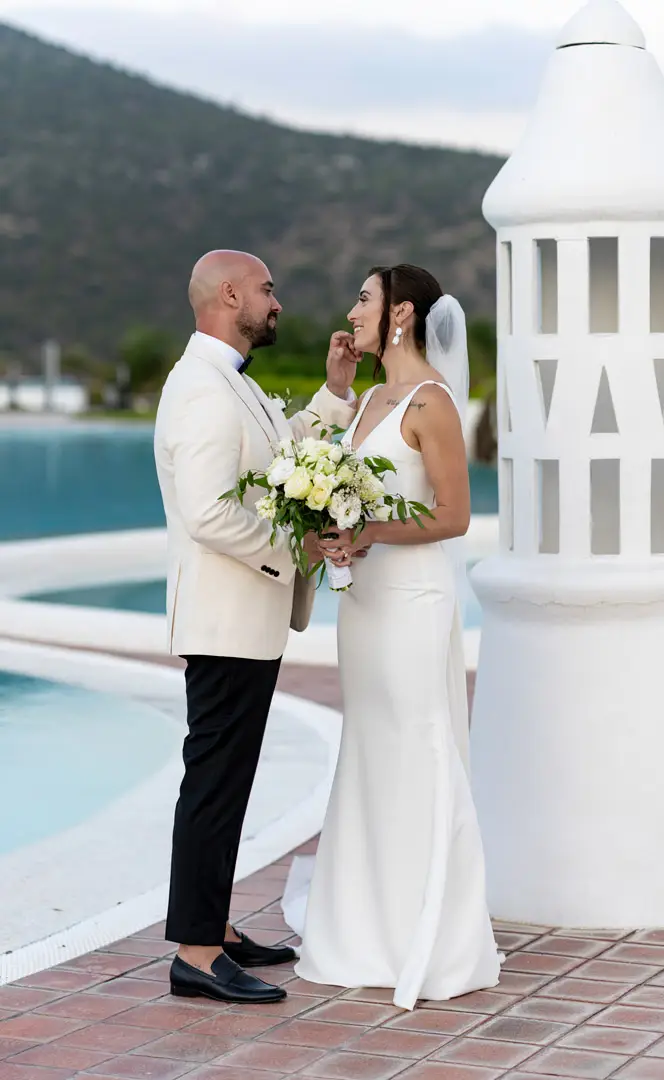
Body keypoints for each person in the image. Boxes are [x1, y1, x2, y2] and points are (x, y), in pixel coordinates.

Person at [284, 264, 501, 1010]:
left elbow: (453, 515)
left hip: (412, 600)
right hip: (365, 604)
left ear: (401, 313)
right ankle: (363, 927)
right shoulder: (369, 398)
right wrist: (332, 533)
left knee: (417, 741)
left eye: (365, 300)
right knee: (370, 746)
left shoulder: (430, 401)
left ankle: (432, 931)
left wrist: (372, 531)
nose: (352, 312)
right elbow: (341, 491)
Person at [154, 249, 358, 1005]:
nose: (277, 302)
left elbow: (284, 455)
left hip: (243, 619)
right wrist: (295, 549)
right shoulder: (203, 390)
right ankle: (197, 954)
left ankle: (213, 925)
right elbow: (209, 513)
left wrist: (335, 393)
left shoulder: (229, 380)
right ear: (230, 295)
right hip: (225, 620)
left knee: (228, 778)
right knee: (213, 782)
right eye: (267, 290)